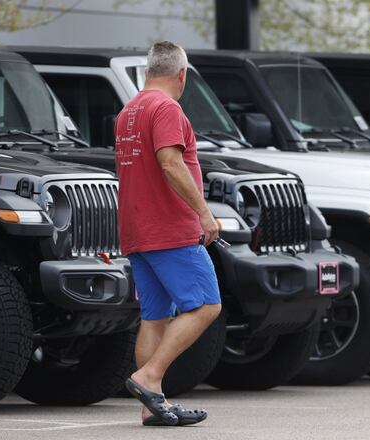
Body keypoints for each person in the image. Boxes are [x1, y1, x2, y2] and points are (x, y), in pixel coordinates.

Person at [115, 41, 222, 427]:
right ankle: (148, 377)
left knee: (155, 317)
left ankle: (152, 405)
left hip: (136, 229)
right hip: (169, 229)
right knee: (206, 305)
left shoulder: (129, 111)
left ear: (148, 71)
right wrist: (205, 215)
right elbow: (169, 161)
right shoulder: (166, 108)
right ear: (182, 74)